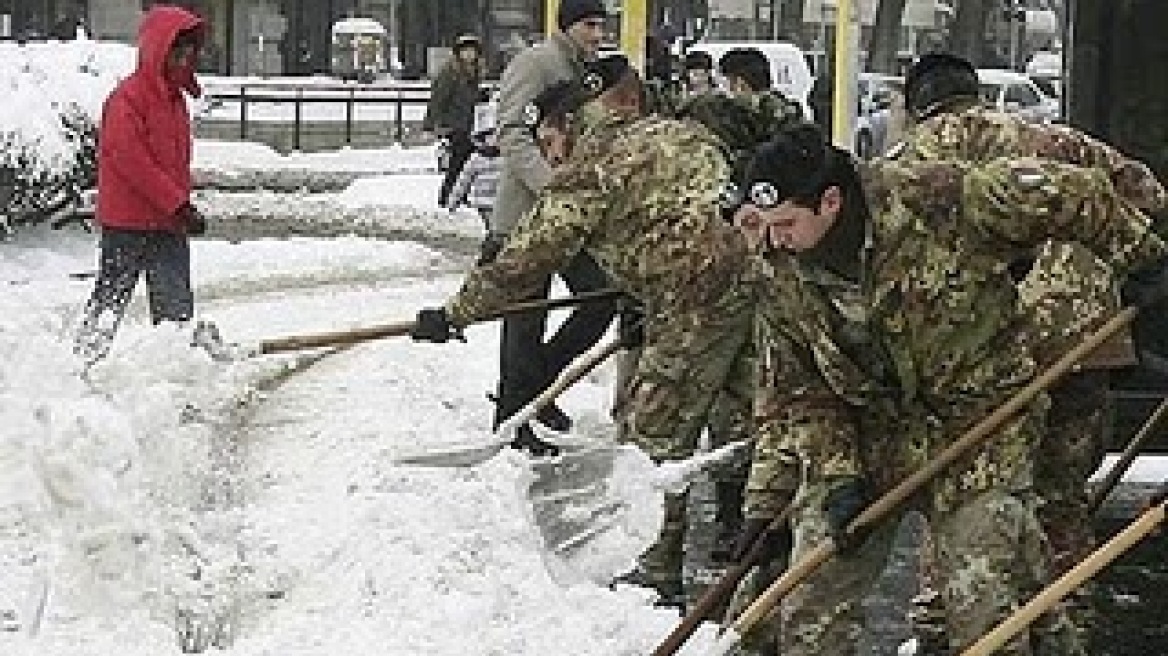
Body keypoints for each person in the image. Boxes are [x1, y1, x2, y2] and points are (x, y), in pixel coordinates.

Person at [733, 123, 1167, 655]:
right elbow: (797, 392)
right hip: (872, 436)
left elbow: (1071, 192)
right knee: (808, 609)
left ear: (829, 202)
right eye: (767, 226)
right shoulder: (780, 270)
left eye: (786, 224)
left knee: (984, 605)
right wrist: (835, 475)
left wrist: (1142, 257)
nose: (776, 240)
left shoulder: (937, 198)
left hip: (981, 426)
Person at [411, 58, 796, 609]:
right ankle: (771, 551)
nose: (550, 154)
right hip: (760, 283)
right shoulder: (676, 132)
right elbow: (682, 214)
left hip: (694, 303)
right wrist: (644, 293)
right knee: (756, 421)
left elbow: (525, 259)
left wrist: (454, 315)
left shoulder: (590, 167)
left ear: (568, 124)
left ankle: (654, 572)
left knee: (654, 438)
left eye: (548, 141)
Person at [894, 52, 1167, 649]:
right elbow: (1147, 194)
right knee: (1061, 496)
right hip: (1082, 343)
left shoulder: (908, 162)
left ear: (917, 104)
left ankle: (944, 623)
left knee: (966, 493)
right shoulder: (1058, 140)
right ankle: (1063, 617)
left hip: (978, 357)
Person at [483, 0, 617, 455]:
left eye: (602, 25)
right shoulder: (537, 63)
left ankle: (535, 388)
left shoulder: (587, 69)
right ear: (566, 26)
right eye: (589, 25)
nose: (598, 34)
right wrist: (551, 185)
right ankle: (513, 415)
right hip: (528, 215)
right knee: (525, 317)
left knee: (599, 298)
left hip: (573, 221)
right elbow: (511, 134)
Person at [74, 5, 209, 364]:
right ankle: (80, 366)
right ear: (158, 50)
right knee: (109, 301)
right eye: (178, 51)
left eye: (190, 52)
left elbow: (173, 161)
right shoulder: (128, 99)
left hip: (167, 222)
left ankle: (176, 369)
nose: (185, 59)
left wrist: (179, 205)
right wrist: (178, 203)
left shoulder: (176, 101)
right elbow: (131, 161)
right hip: (128, 223)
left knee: (176, 308)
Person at [424, 33, 484, 207]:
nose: (469, 55)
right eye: (465, 51)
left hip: (469, 125)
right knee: (457, 163)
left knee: (466, 162)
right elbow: (438, 98)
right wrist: (430, 124)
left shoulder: (474, 71)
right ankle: (447, 197)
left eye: (472, 51)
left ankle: (459, 196)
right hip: (454, 125)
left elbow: (468, 97)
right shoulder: (450, 72)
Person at [445, 128, 501, 238]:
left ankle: (495, 243)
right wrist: (454, 200)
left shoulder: (505, 157)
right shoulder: (475, 159)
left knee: (498, 226)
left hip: (500, 199)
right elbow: (464, 180)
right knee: (493, 227)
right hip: (483, 202)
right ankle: (494, 243)